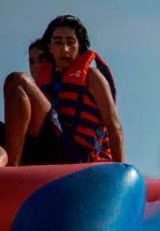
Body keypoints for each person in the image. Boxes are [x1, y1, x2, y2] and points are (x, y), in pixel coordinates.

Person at [2, 15, 124, 166]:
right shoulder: (45, 79)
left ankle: (12, 173)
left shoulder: (92, 77)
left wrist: (121, 171)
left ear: (80, 46)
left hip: (76, 156)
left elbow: (114, 126)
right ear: (50, 47)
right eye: (58, 42)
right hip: (46, 150)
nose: (65, 49)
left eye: (71, 42)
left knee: (17, 81)